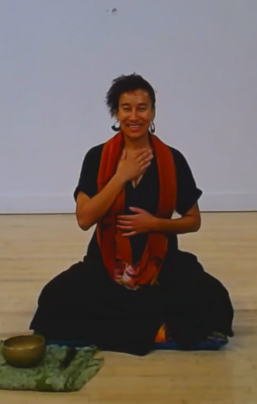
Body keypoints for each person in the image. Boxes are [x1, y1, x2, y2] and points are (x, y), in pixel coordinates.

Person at [29, 73, 234, 356]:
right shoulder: (97, 157)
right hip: (106, 263)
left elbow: (193, 221)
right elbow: (85, 219)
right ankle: (158, 329)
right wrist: (121, 177)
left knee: (213, 298)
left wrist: (154, 224)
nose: (134, 116)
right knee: (54, 299)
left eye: (142, 108)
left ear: (152, 112)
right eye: (126, 108)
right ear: (116, 113)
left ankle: (127, 327)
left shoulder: (172, 159)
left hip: (160, 262)